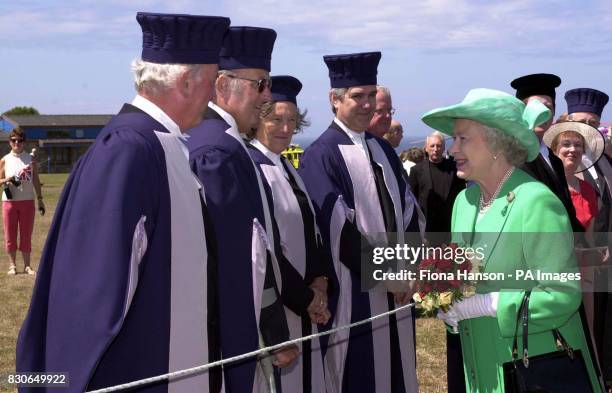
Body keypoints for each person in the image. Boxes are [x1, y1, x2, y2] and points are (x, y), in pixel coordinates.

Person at [16, 12, 230, 393]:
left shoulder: (166, 144)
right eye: (213, 83)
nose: (215, 97)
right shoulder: (130, 149)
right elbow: (90, 296)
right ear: (185, 82)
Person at [423, 88, 602, 392]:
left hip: (536, 371)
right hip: (481, 368)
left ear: (497, 142)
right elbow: (462, 272)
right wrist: (444, 296)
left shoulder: (536, 202)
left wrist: (491, 304)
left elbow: (563, 294)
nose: (453, 150)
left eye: (463, 138)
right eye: (455, 139)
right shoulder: (464, 202)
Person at [298, 51, 420, 393]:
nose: (367, 104)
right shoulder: (321, 155)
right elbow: (339, 230)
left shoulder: (382, 150)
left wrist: (408, 269)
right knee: (362, 376)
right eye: (357, 96)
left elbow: (409, 212)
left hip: (397, 287)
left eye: (371, 95)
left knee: (399, 372)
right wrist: (387, 276)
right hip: (353, 293)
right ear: (335, 100)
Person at [187, 27, 298, 393]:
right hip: (227, 330)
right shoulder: (217, 151)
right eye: (260, 84)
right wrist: (274, 331)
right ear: (222, 86)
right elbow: (240, 260)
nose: (267, 97)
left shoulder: (226, 144)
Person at [247, 74, 334, 393]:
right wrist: (306, 297)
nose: (286, 128)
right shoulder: (251, 169)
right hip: (278, 306)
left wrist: (321, 281)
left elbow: (313, 232)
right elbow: (264, 249)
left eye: (292, 121)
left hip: (305, 301)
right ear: (257, 119)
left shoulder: (287, 168)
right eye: (276, 119)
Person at [545, 120, 612, 392]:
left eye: (577, 145)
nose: (572, 149)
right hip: (556, 272)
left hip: (585, 275)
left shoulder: (589, 191)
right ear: (555, 149)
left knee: (588, 333)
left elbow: (591, 237)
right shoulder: (547, 189)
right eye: (566, 144)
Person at [510, 73, 584, 233]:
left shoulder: (554, 159)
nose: (542, 113)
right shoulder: (511, 156)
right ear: (521, 111)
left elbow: (565, 210)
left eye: (548, 107)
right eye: (535, 107)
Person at [1, 127, 44, 276]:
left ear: (24, 142)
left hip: (27, 202)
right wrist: (6, 180)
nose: (17, 143)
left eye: (20, 140)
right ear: (10, 142)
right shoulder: (5, 160)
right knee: (10, 234)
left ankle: (27, 266)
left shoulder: (30, 159)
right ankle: (12, 265)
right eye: (14, 140)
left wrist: (40, 199)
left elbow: (36, 180)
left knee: (26, 234)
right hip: (9, 202)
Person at [408, 131, 465, 239]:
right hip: (427, 228)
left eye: (439, 146)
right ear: (426, 148)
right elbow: (412, 199)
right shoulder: (416, 170)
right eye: (432, 146)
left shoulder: (454, 168)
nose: (435, 149)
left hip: (450, 225)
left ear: (443, 148)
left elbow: (461, 194)